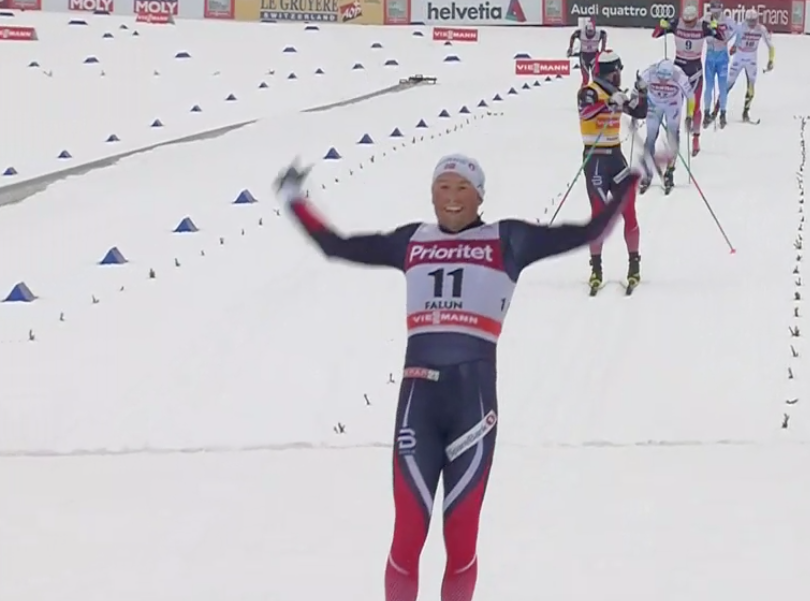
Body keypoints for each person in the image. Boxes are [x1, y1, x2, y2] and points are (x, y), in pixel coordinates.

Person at [274, 153, 641, 601]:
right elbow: (336, 246)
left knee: (461, 542)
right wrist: (293, 199)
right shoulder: (412, 240)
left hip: (473, 407)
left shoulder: (509, 239)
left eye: (461, 189)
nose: (451, 199)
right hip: (418, 406)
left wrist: (633, 177)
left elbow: (591, 230)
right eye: (442, 188)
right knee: (407, 538)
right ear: (430, 194)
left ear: (480, 195)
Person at [577, 50, 643, 293]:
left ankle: (634, 264)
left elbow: (639, 112)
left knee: (629, 210)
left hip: (615, 157)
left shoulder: (617, 93)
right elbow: (585, 111)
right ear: (612, 72)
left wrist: (640, 93)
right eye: (619, 72)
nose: (620, 76)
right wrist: (608, 103)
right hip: (595, 158)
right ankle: (596, 268)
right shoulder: (589, 90)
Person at [652, 4, 719, 157]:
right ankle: (673, 140)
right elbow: (655, 35)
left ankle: (696, 138)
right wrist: (662, 25)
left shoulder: (703, 26)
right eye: (686, 22)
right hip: (678, 70)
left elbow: (721, 36)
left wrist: (715, 27)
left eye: (691, 22)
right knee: (674, 106)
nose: (688, 25)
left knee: (695, 106)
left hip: (695, 70)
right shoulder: (677, 23)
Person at [639, 58, 691, 194]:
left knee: (672, 136)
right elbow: (637, 90)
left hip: (673, 105)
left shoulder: (679, 75)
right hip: (654, 104)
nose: (662, 81)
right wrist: (636, 106)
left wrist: (690, 115)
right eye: (660, 78)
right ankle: (647, 171)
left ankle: (670, 171)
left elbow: (691, 97)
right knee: (651, 136)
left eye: (666, 79)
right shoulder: (649, 73)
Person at [723, 8, 775, 124]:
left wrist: (771, 60)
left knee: (751, 85)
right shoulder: (740, 27)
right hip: (739, 57)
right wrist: (729, 48)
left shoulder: (761, 29)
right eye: (749, 22)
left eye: (754, 21)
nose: (752, 25)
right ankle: (719, 109)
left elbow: (771, 46)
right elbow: (727, 38)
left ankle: (746, 111)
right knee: (728, 83)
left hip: (752, 58)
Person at [702, 1, 736, 128]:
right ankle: (706, 112)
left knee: (722, 87)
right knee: (709, 86)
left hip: (722, 56)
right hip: (710, 55)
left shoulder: (727, 20)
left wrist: (727, 39)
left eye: (717, 12)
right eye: (713, 12)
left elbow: (736, 30)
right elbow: (700, 30)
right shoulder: (705, 19)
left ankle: (723, 113)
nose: (715, 15)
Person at [567, 19, 607, 85]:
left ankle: (596, 92)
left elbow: (604, 35)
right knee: (586, 78)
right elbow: (573, 36)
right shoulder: (580, 33)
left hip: (594, 56)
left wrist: (603, 49)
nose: (590, 34)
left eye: (591, 32)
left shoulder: (599, 34)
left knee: (596, 78)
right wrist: (570, 48)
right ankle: (583, 93)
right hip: (584, 57)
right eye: (588, 32)